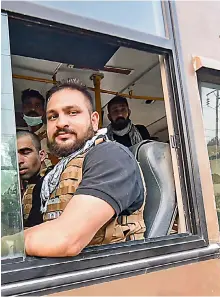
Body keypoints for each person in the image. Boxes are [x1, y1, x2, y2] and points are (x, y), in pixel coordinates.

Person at [2, 78, 146, 258]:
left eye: (72, 112)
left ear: (94, 121)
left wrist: (4, 245)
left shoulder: (111, 156)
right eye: (53, 116)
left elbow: (65, 239)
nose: (61, 123)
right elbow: (36, 229)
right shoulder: (52, 176)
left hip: (109, 277)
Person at [17, 130, 50, 228]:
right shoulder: (27, 184)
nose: (19, 161)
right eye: (14, 155)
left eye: (25, 153)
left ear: (41, 155)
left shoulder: (49, 182)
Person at [21, 89, 59, 166]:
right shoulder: (18, 135)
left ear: (43, 110)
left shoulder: (53, 132)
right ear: (23, 108)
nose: (33, 109)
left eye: (37, 105)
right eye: (28, 105)